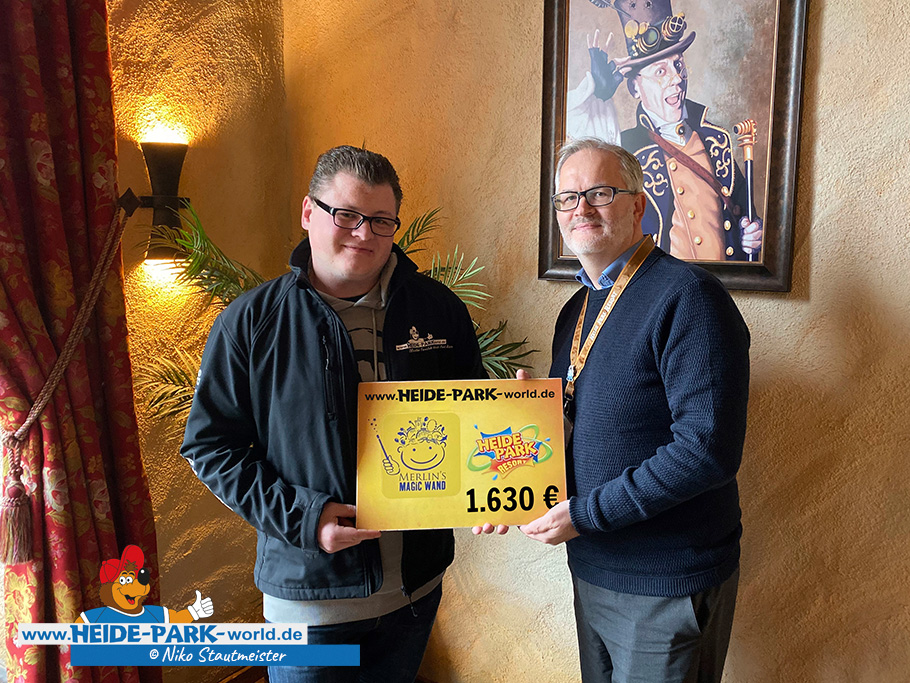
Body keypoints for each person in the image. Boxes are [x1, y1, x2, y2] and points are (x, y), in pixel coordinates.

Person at [181, 145, 485, 682]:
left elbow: (473, 418)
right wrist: (302, 517)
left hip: (414, 591)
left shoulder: (438, 309)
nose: (364, 234)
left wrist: (504, 445)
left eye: (382, 220)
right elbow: (211, 448)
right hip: (309, 605)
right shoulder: (250, 322)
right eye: (347, 215)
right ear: (308, 212)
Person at [499, 138, 750, 683]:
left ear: (638, 205)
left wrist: (584, 515)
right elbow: (586, 424)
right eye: (568, 198)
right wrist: (524, 441)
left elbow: (706, 451)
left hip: (665, 581)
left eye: (600, 193)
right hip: (592, 565)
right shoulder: (576, 308)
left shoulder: (689, 296)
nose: (581, 209)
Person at [566, 0, 763, 261]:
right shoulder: (622, 148)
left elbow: (743, 214)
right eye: (661, 71)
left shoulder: (717, 140)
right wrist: (595, 91)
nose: (677, 79)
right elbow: (573, 129)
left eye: (678, 65)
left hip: (720, 281)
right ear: (635, 88)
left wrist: (750, 234)